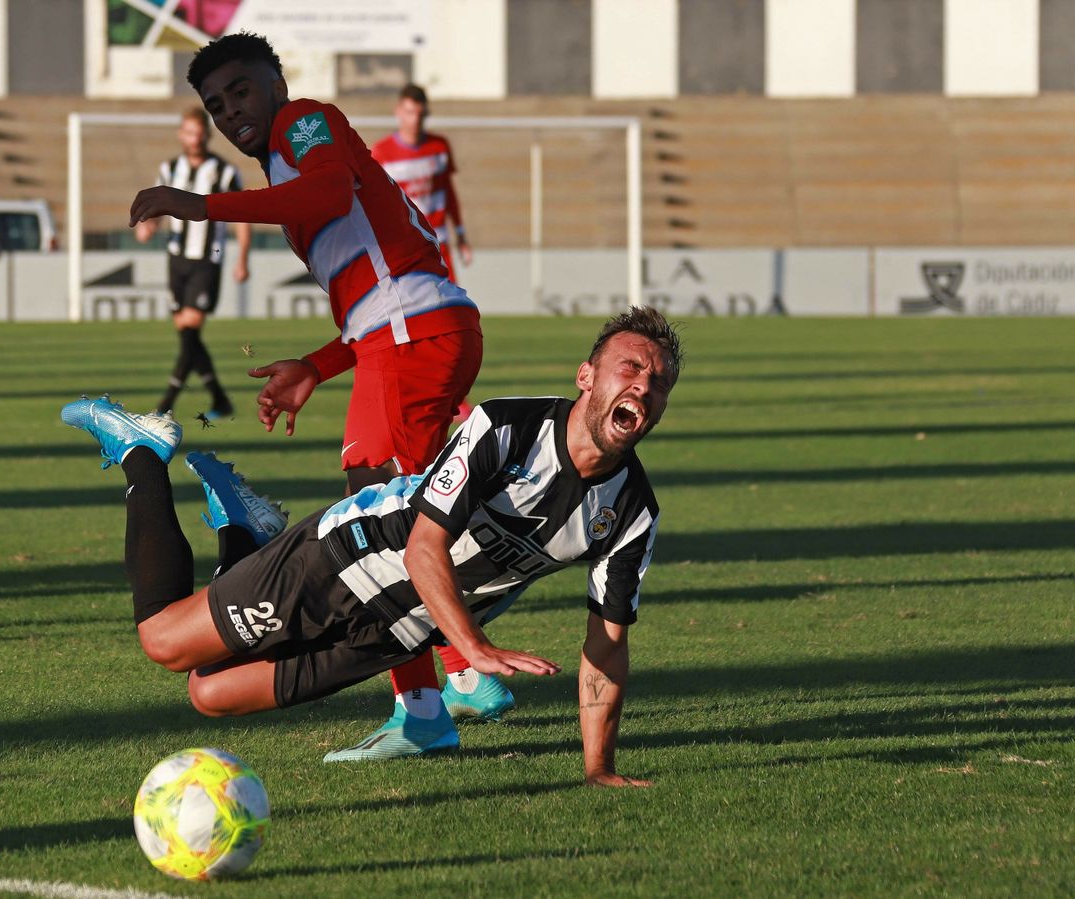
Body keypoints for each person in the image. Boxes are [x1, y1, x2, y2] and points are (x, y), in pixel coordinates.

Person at [61, 306, 680, 785]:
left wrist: (598, 768)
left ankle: (244, 531)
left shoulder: (631, 512)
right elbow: (422, 549)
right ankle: (144, 452)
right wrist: (472, 647)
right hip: (344, 559)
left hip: (396, 632)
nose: (642, 386)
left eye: (658, 382)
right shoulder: (508, 428)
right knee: (164, 642)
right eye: (629, 368)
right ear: (586, 376)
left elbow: (607, 644)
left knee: (209, 692)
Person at [127, 32, 497, 758]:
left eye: (240, 90)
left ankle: (440, 697)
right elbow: (378, 282)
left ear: (276, 82)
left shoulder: (303, 122)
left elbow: (332, 193)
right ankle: (452, 680)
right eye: (216, 104)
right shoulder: (284, 164)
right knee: (393, 520)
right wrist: (318, 368)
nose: (230, 111)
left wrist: (199, 205)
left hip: (411, 338)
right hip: (407, 334)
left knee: (381, 525)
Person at [134, 107, 251, 418]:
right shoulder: (169, 169)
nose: (194, 139)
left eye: (199, 133)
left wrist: (242, 257)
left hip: (206, 261)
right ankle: (220, 400)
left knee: (189, 334)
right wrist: (148, 225)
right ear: (180, 134)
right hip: (176, 259)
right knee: (189, 337)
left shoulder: (224, 171)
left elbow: (242, 217)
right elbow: (157, 209)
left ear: (207, 135)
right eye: (189, 133)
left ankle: (164, 406)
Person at [370, 83, 472, 282]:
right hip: (404, 246)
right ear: (399, 112)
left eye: (420, 114)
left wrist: (460, 232)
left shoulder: (439, 147)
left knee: (451, 299)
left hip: (438, 241)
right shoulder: (381, 153)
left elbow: (448, 192)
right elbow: (375, 203)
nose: (415, 120)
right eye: (410, 113)